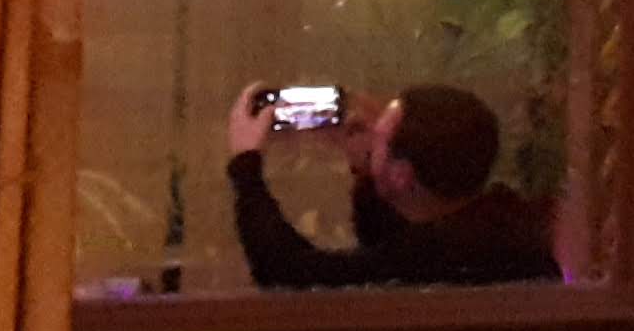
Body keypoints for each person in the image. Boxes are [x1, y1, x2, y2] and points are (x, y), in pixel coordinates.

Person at [223, 82, 557, 289]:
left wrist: (246, 162)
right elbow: (386, 246)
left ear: (402, 175)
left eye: (380, 136)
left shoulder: (430, 261)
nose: (370, 136)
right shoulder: (507, 235)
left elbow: (287, 272)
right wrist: (366, 170)